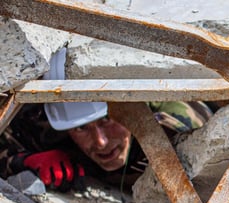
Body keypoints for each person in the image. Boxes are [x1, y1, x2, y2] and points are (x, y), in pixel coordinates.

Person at [0, 49, 212, 194]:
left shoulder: (178, 126)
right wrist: (25, 161)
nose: (100, 142)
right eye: (81, 127)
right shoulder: (48, 124)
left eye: (107, 120)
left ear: (133, 107)